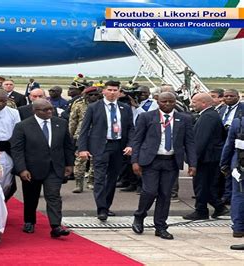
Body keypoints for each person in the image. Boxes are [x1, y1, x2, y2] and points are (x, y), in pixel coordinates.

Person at [131, 92, 197, 240]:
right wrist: (135, 161)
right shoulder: (147, 117)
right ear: (158, 102)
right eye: (164, 101)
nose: (167, 104)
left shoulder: (185, 119)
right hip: (151, 160)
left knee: (165, 194)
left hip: (171, 161)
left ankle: (160, 226)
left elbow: (190, 143)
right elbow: (137, 140)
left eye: (170, 101)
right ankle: (139, 216)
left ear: (175, 102)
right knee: (149, 191)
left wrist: (192, 163)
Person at [10, 99, 75, 238]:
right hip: (31, 169)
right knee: (31, 197)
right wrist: (22, 169)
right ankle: (29, 221)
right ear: (35, 111)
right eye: (45, 110)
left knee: (53, 196)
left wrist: (69, 164)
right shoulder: (23, 126)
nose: (49, 112)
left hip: (54, 167)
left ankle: (56, 226)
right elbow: (17, 150)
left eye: (51, 109)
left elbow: (67, 146)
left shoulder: (61, 123)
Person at [78, 80, 135, 221]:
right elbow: (84, 129)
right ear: (103, 91)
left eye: (115, 90)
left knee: (112, 178)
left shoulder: (125, 108)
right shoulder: (94, 107)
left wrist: (130, 144)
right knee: (99, 178)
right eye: (109, 90)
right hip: (101, 146)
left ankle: (107, 206)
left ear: (119, 92)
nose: (112, 92)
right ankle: (101, 208)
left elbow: (131, 128)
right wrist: (82, 148)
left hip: (118, 146)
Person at [183, 93, 228, 220]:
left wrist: (193, 161)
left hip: (207, 158)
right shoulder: (209, 115)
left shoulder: (208, 117)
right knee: (206, 185)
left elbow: (201, 140)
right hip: (209, 157)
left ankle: (202, 210)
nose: (192, 104)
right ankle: (218, 208)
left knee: (201, 185)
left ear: (204, 103)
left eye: (194, 102)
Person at [69, 86, 101, 193]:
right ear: (85, 95)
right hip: (81, 135)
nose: (93, 97)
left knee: (94, 160)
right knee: (80, 160)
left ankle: (91, 181)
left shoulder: (102, 105)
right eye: (90, 95)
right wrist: (71, 135)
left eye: (96, 95)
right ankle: (78, 183)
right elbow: (73, 120)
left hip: (97, 136)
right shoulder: (78, 104)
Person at [220, 113, 244, 239]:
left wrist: (224, 163)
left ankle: (239, 228)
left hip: (239, 164)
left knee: (239, 195)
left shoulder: (237, 122)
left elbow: (229, 145)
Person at [218, 89, 244, 205]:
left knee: (234, 171)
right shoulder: (222, 109)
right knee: (226, 169)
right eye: (226, 96)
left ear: (238, 97)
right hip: (222, 140)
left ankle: (228, 195)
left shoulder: (241, 109)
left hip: (236, 144)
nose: (228, 98)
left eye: (231, 96)